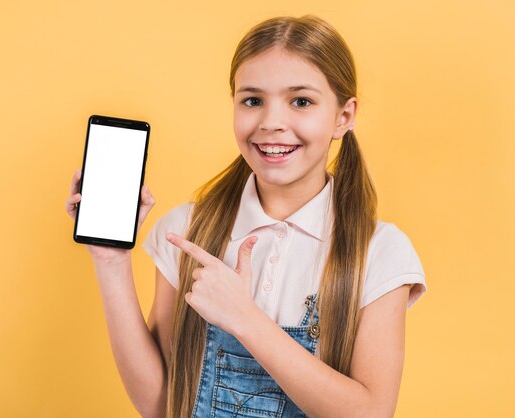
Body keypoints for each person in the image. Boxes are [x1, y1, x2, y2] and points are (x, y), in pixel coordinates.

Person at [66, 14, 427, 418]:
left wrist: (246, 320)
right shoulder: (186, 232)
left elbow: (371, 413)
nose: (271, 123)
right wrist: (111, 262)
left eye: (301, 101)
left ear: (343, 116)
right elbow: (162, 405)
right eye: (252, 100)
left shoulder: (379, 252)